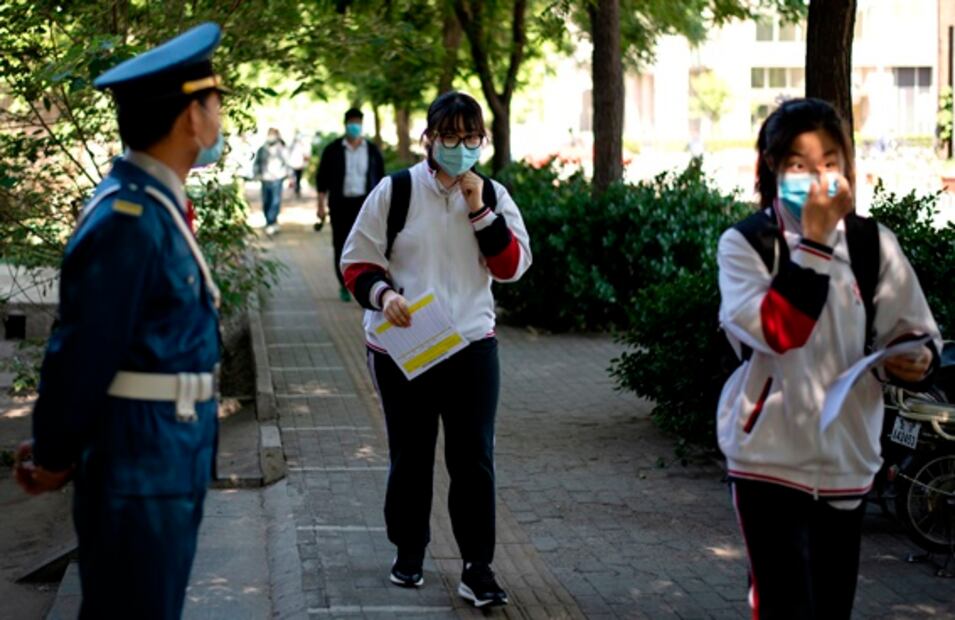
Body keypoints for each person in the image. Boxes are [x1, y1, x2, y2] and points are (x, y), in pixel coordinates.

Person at [13, 22, 226, 619]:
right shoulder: (128, 217)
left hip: (162, 459)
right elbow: (81, 352)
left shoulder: (153, 203)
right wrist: (55, 454)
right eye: (215, 102)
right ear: (190, 117)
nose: (220, 119)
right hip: (142, 469)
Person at [717, 98, 942, 619]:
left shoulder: (872, 244)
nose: (817, 180)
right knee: (784, 606)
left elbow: (916, 330)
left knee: (831, 606)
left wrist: (913, 359)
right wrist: (815, 242)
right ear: (772, 166)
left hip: (848, 456)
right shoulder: (747, 245)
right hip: (766, 456)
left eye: (829, 163)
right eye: (799, 165)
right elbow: (779, 331)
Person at [340, 91, 532, 608]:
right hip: (405, 345)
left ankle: (477, 566)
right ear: (429, 138)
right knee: (412, 453)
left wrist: (479, 210)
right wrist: (385, 296)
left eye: (471, 137)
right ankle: (409, 549)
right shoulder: (395, 190)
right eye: (450, 136)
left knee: (474, 457)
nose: (461, 146)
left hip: (470, 346)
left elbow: (512, 267)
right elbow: (356, 261)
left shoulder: (492, 195)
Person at [316, 108, 385, 302]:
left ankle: (364, 283)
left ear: (362, 125)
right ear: (345, 124)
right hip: (340, 204)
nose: (355, 126)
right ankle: (343, 283)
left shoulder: (372, 151)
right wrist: (320, 206)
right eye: (351, 122)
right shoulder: (333, 150)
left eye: (358, 122)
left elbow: (381, 180)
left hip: (365, 205)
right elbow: (322, 180)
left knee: (365, 245)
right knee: (341, 244)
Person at [254, 127, 288, 235]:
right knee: (266, 201)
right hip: (265, 178)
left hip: (277, 178)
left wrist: (287, 175)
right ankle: (268, 221)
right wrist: (257, 174)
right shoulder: (262, 149)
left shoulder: (282, 149)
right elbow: (257, 163)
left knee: (275, 201)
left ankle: (272, 222)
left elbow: (287, 163)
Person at [287, 130, 310, 198]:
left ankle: (297, 190)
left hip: (300, 165)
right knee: (295, 177)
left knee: (298, 178)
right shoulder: (292, 144)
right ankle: (296, 189)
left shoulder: (302, 145)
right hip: (294, 164)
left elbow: (306, 155)